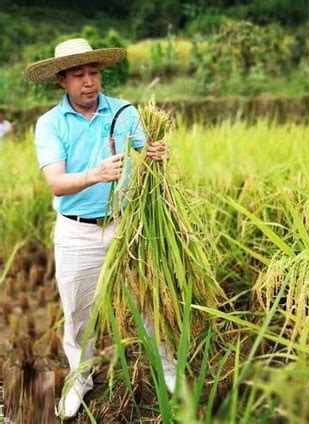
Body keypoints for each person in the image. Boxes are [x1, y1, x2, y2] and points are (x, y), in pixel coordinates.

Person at [25, 38, 176, 420]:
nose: (89, 81)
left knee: (149, 301)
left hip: (127, 227)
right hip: (78, 233)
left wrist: (158, 154)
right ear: (63, 81)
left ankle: (168, 370)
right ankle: (81, 379)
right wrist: (96, 175)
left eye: (93, 72)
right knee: (80, 313)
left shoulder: (125, 112)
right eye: (79, 75)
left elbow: (146, 152)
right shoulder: (50, 124)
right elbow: (57, 183)